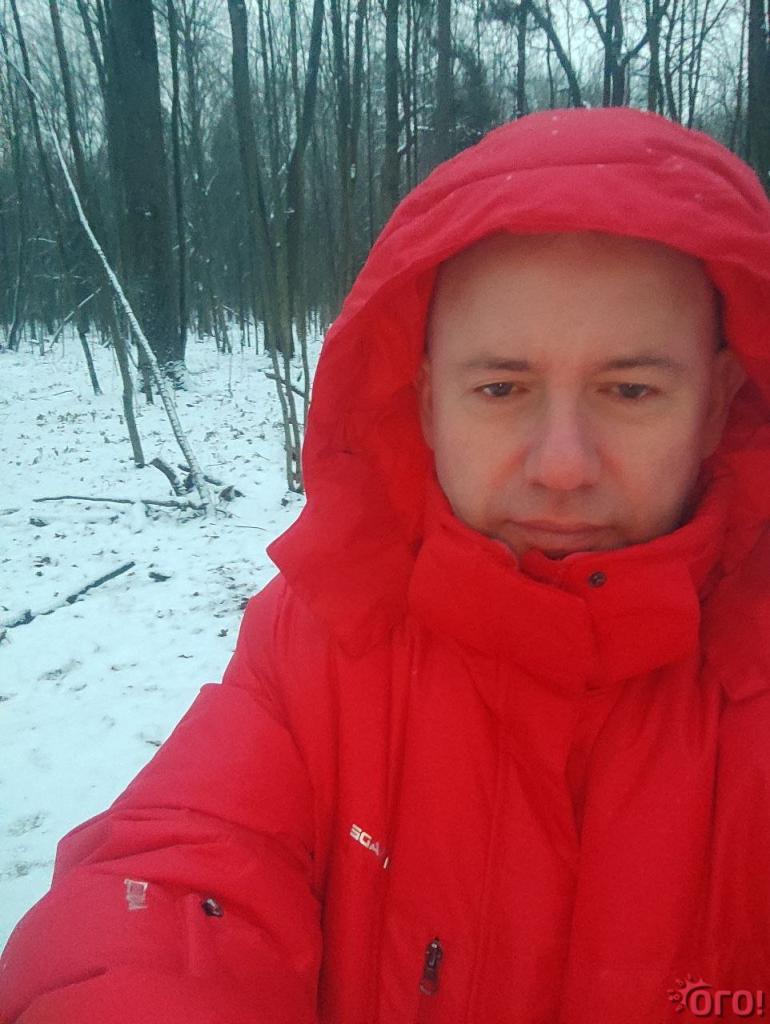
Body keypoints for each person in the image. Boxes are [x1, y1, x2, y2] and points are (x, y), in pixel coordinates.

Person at [2, 106, 770, 1024]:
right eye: (501, 388)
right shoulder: (327, 633)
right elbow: (180, 877)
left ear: (717, 403)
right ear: (429, 401)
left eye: (630, 390)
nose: (562, 465)